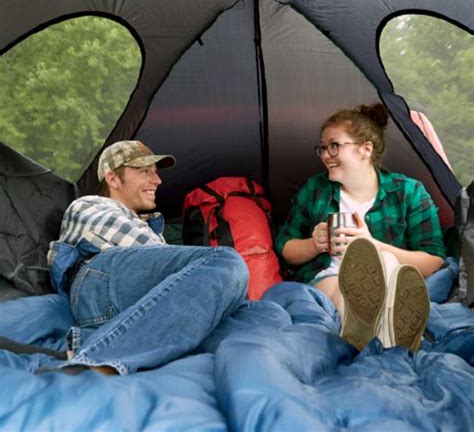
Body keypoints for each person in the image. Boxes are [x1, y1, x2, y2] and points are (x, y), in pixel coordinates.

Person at [40, 140, 249, 376]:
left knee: (264, 314)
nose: (157, 180)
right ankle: (98, 359)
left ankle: (101, 345)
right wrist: (209, 276)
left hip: (144, 304)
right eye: (144, 171)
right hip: (101, 282)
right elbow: (149, 250)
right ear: (113, 179)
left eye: (156, 172)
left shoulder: (147, 226)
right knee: (226, 262)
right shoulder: (89, 205)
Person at [276, 103, 446, 352]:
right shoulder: (315, 190)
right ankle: (379, 337)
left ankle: (385, 328)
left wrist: (373, 245)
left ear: (366, 149)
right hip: (330, 277)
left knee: (386, 262)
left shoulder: (408, 192)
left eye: (334, 145)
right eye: (322, 148)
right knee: (342, 290)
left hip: (391, 276)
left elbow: (434, 261)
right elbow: (285, 248)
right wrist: (315, 244)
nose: (325, 155)